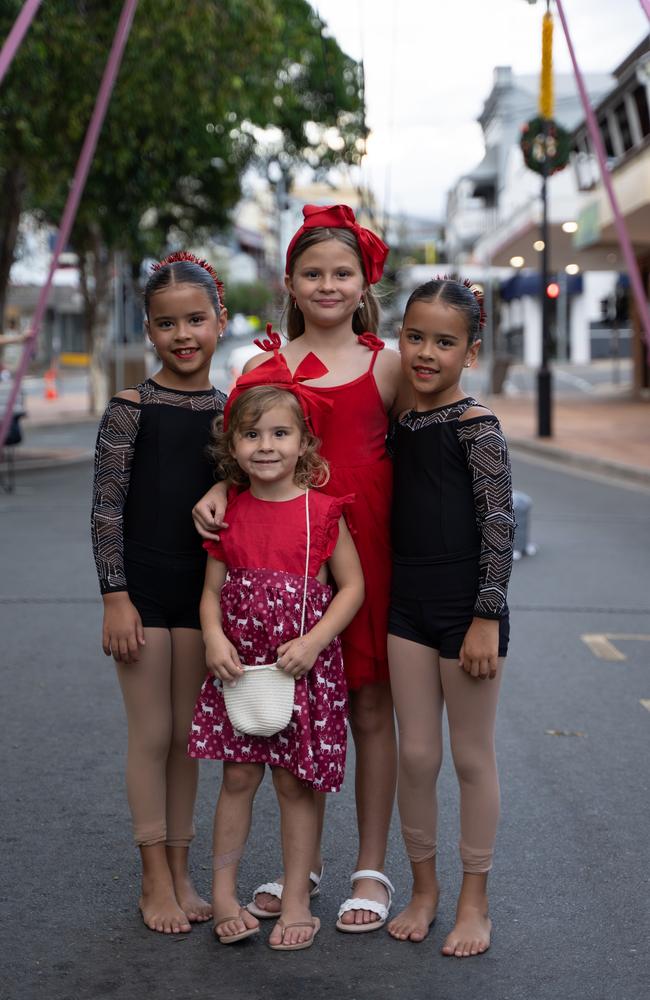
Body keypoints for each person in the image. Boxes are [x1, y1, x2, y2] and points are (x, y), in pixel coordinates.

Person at [192, 204, 406, 931]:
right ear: (288, 281)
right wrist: (224, 486)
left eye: (342, 272)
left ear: (364, 279)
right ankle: (300, 870)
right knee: (284, 712)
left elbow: (426, 452)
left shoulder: (389, 363)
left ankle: (370, 868)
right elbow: (240, 450)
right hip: (280, 563)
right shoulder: (261, 366)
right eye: (312, 272)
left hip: (361, 551)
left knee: (370, 706)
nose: (326, 284)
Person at [188, 365, 364, 950]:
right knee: (237, 776)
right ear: (232, 446)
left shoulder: (323, 512)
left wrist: (314, 642)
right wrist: (213, 639)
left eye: (280, 434)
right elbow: (212, 592)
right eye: (252, 435)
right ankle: (222, 894)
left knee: (293, 785)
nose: (266, 446)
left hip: (300, 668)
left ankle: (295, 899)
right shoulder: (228, 512)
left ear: (304, 444)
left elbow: (352, 589)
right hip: (239, 667)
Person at [90, 252, 228, 934]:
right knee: (151, 734)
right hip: (141, 589)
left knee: (186, 739)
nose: (183, 335)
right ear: (148, 329)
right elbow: (106, 509)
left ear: (219, 322)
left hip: (202, 592)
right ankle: (152, 877)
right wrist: (116, 595)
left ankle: (180, 868)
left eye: (196, 320)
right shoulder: (130, 409)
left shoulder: (230, 413)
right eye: (167, 323)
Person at [385, 277, 515, 957]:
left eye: (444, 341)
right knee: (415, 754)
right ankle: (424, 889)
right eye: (414, 337)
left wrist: (486, 616)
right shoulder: (401, 422)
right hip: (405, 605)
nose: (426, 352)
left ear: (470, 351)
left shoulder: (476, 427)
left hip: (468, 609)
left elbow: (497, 525)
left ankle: (474, 900)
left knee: (469, 757)